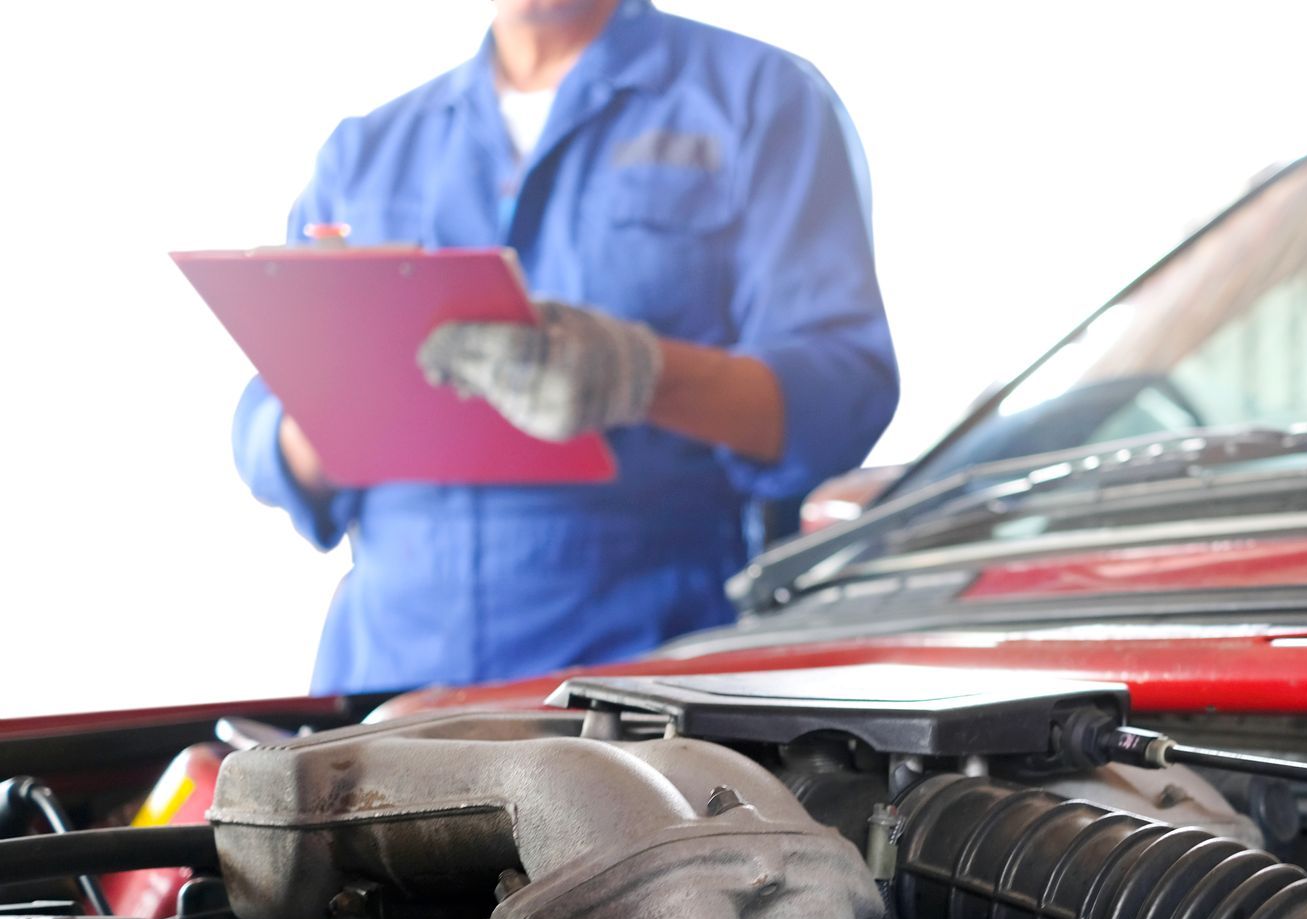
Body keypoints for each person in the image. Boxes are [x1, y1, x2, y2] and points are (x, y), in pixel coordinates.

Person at [233, 0, 898, 694]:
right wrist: (323, 421)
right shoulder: (366, 152)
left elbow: (843, 395)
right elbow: (263, 425)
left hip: (642, 682)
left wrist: (639, 374)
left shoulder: (757, 99)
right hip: (389, 678)